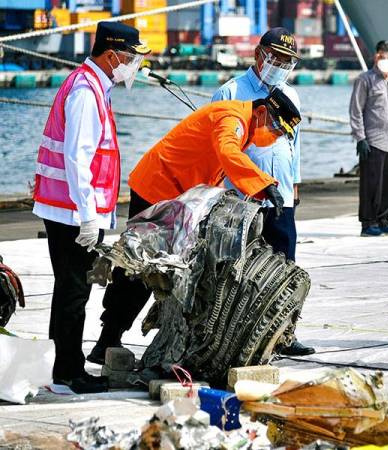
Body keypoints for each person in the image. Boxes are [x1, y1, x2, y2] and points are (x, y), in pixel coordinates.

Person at [87, 88, 300, 364]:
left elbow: (217, 167)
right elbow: (227, 151)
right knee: (140, 265)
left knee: (170, 268)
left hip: (179, 197)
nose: (275, 137)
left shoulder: (246, 126)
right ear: (261, 113)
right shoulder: (232, 118)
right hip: (158, 186)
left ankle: (132, 339)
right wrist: (264, 183)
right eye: (275, 129)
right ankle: (107, 340)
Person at [32, 22, 150, 393]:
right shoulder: (85, 91)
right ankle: (69, 372)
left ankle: (62, 365)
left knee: (70, 289)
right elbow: (77, 157)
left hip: (70, 209)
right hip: (73, 213)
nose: (133, 66)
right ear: (112, 55)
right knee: (74, 292)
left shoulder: (94, 86)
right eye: (131, 59)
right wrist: (87, 215)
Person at [211, 28, 314, 356]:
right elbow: (219, 149)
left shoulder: (291, 95)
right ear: (259, 54)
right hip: (242, 200)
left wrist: (294, 183)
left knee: (285, 266)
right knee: (240, 272)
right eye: (277, 58)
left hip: (281, 196)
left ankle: (284, 335)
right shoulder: (231, 92)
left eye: (288, 61)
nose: (281, 65)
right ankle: (238, 339)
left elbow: (294, 145)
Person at [349, 40, 388, 237]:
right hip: (373, 140)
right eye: (382, 56)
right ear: (376, 56)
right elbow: (356, 110)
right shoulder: (365, 80)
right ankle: (368, 222)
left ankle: (384, 219)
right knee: (371, 184)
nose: (386, 60)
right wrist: (360, 138)